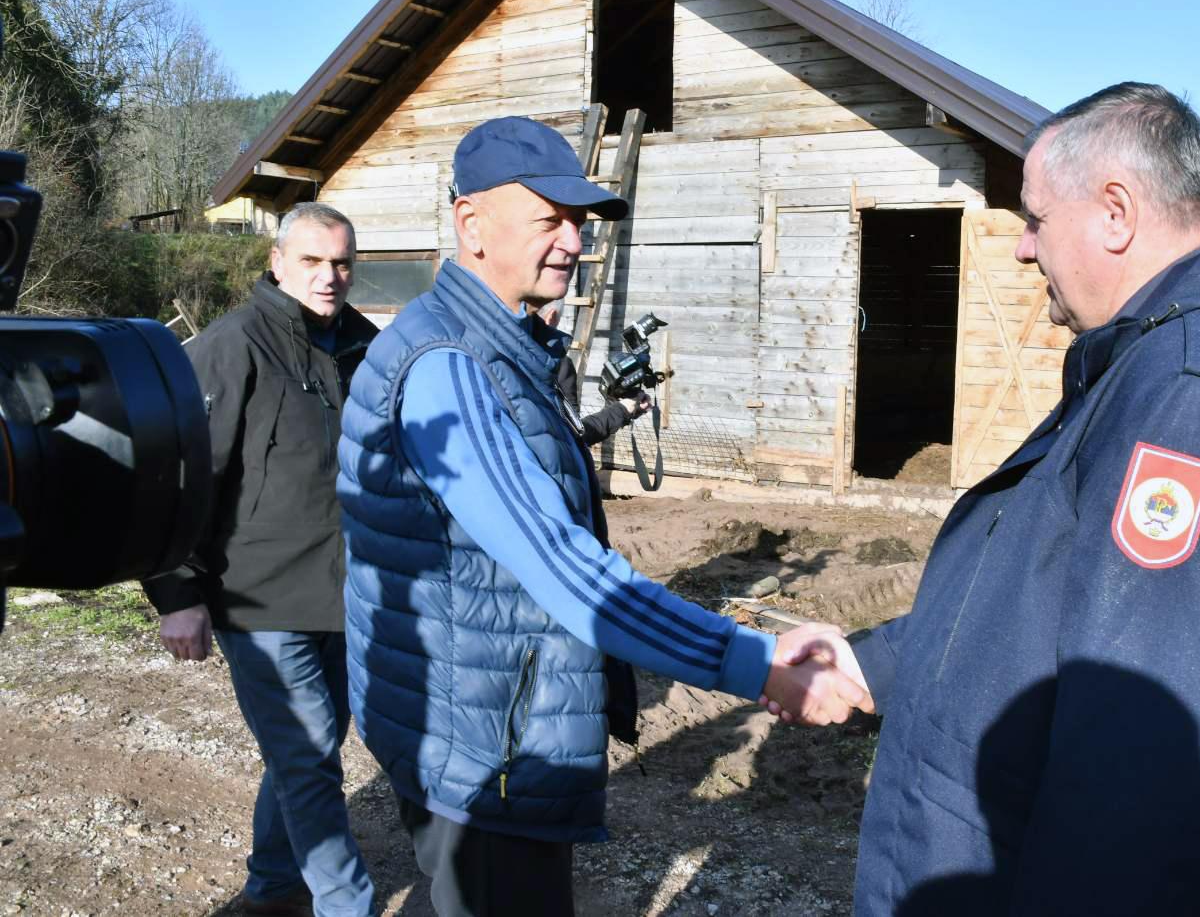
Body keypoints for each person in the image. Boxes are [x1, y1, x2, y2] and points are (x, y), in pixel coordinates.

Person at [782, 83, 1200, 915]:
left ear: (1115, 212)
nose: (1024, 249)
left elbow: (1139, 783)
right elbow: (1035, 597)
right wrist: (871, 662)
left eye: (1035, 218)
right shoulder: (1155, 362)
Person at [336, 115, 864, 917]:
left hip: (475, 721)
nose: (574, 241)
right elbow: (566, 571)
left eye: (578, 221)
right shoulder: (449, 364)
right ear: (470, 224)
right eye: (549, 218)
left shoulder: (490, 342)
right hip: (489, 748)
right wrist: (755, 662)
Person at [141, 203, 379, 917]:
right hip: (258, 598)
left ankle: (275, 886)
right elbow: (176, 472)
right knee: (308, 759)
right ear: (277, 263)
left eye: (340, 262)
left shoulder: (365, 347)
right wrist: (176, 591)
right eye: (311, 261)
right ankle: (348, 906)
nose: (329, 276)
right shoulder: (233, 345)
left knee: (309, 749)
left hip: (346, 594)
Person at [535, 299, 651, 447]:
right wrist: (622, 409)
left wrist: (617, 406)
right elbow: (574, 436)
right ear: (551, 316)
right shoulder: (559, 365)